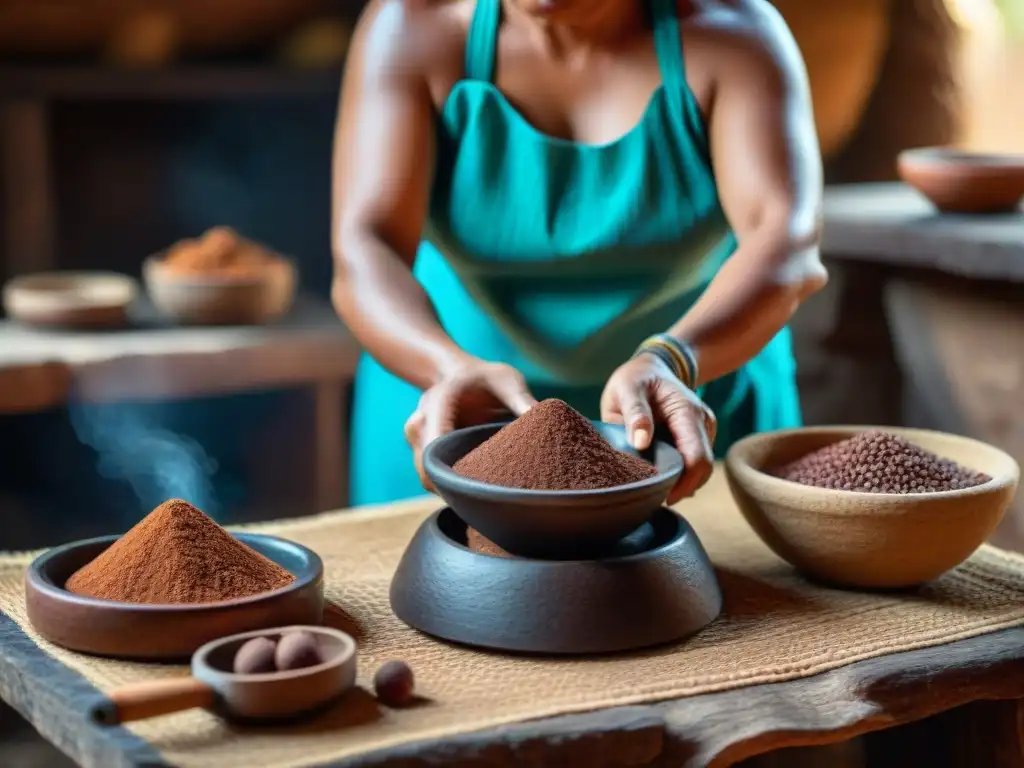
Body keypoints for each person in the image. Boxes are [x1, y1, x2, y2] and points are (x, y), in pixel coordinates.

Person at [333, 0, 827, 507]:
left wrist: (673, 359)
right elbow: (366, 245)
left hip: (689, 402)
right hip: (459, 412)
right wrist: (445, 367)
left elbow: (784, 242)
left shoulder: (732, 32)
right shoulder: (416, 22)